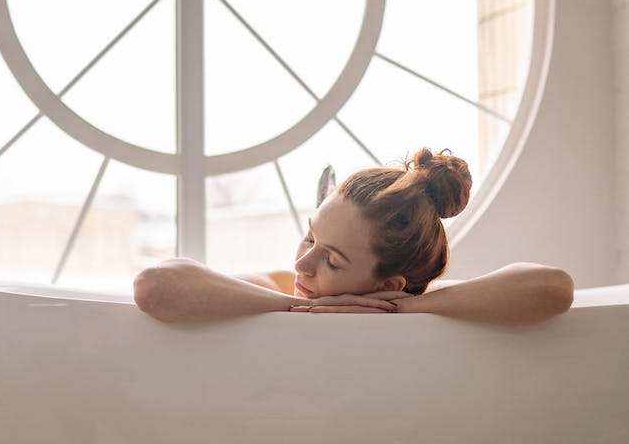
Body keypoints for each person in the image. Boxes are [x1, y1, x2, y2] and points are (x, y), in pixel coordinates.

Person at [133, 148, 574, 326]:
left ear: (387, 286)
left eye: (332, 261)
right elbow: (155, 285)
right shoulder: (281, 288)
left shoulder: (407, 303)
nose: (302, 265)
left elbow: (552, 288)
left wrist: (417, 306)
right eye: (310, 238)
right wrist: (304, 304)